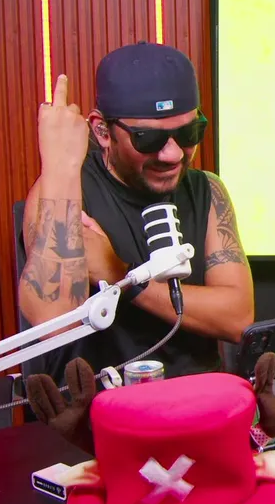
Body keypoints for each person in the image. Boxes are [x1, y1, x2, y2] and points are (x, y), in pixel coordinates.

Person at [18, 41, 254, 383]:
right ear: (102, 131)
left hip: (197, 400)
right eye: (148, 139)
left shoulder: (208, 191)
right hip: (99, 404)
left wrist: (123, 277)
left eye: (189, 133)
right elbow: (53, 320)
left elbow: (237, 317)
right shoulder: (65, 190)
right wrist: (60, 165)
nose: (173, 154)